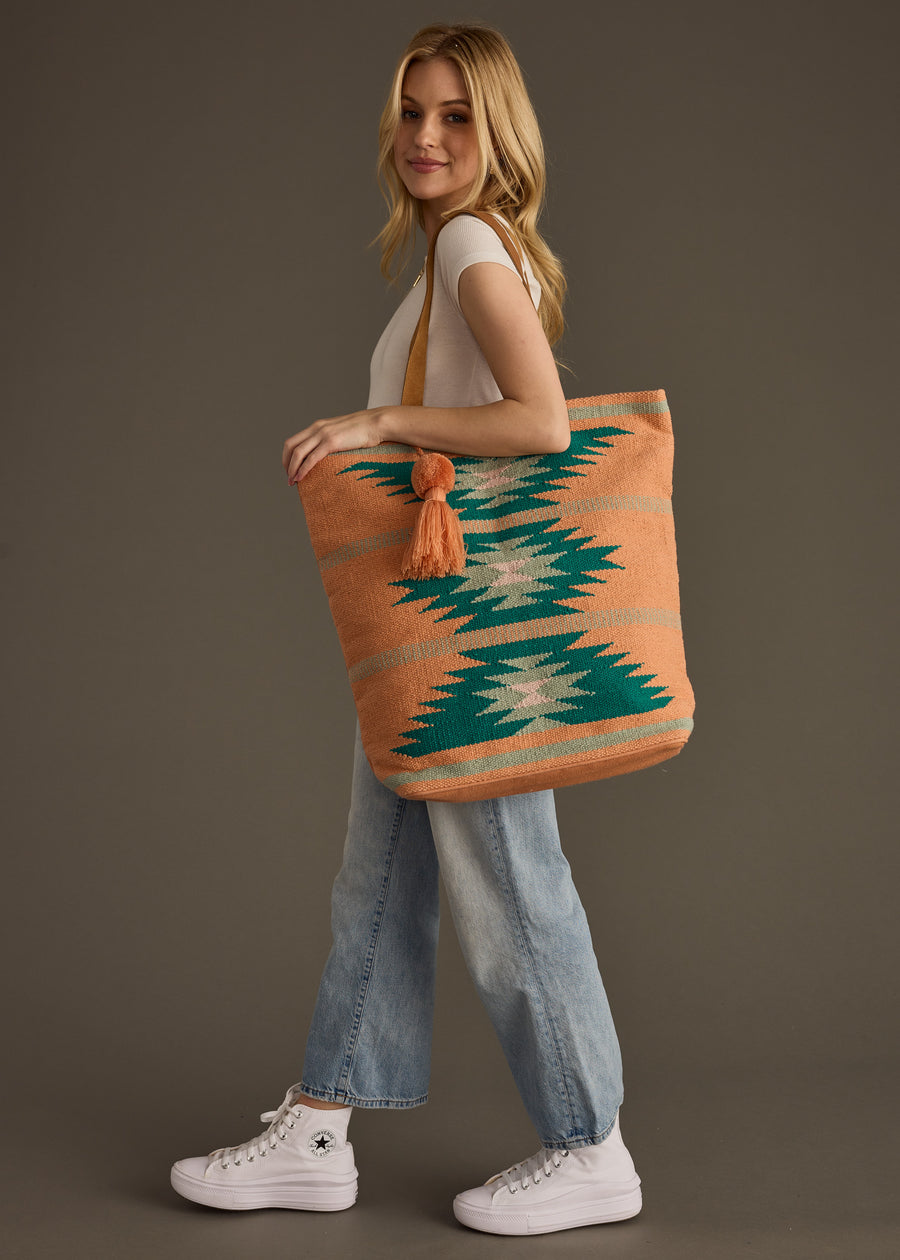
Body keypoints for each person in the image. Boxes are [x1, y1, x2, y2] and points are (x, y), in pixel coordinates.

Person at [170, 22, 642, 1237]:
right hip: (437, 638)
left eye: (457, 116)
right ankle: (321, 1127)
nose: (426, 137)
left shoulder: (475, 243)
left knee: (514, 882)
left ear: (499, 134)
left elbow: (541, 424)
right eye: (413, 112)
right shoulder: (457, 249)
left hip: (473, 637)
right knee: (378, 878)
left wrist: (383, 428)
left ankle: (591, 1145)